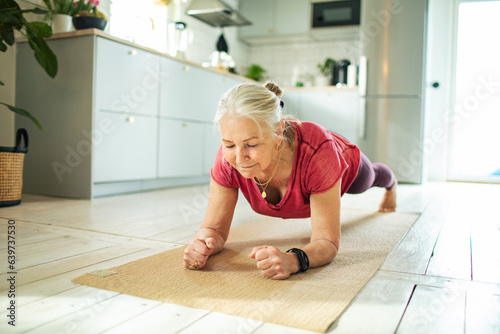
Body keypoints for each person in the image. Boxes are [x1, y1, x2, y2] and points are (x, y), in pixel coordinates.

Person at [183, 82, 397, 280]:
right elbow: (215, 229)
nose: (239, 158)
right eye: (229, 145)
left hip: (339, 156)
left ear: (277, 131)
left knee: (372, 178)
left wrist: (294, 260)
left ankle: (392, 184)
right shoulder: (227, 161)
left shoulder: (319, 155)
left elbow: (327, 242)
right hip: (314, 149)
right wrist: (202, 243)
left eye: (252, 144)